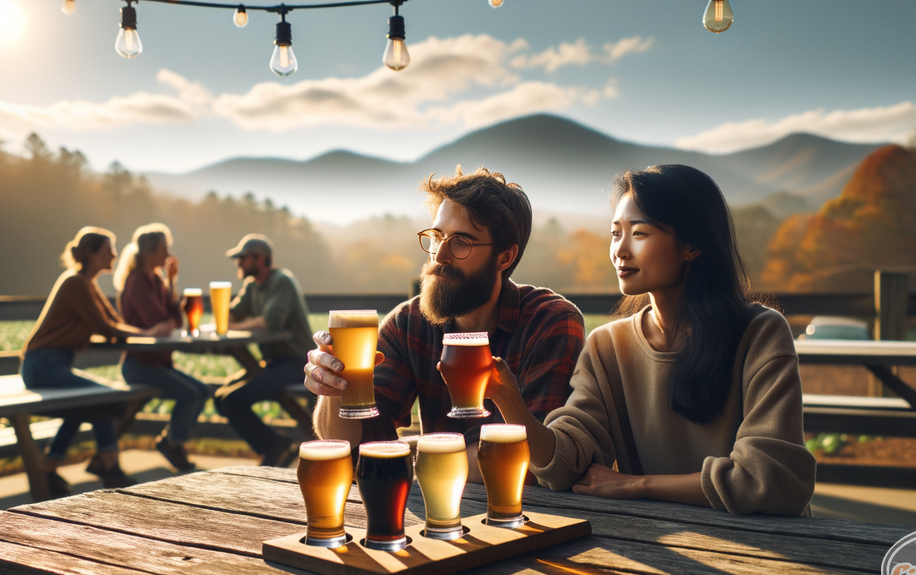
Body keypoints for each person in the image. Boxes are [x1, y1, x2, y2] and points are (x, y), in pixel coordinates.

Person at [484, 165, 816, 516]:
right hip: (659, 539)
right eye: (615, 234)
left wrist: (636, 484)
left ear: (692, 245)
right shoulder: (608, 347)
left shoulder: (760, 333)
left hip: (772, 545)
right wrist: (509, 399)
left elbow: (771, 480)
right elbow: (565, 464)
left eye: (639, 233)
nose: (620, 251)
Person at [305, 167, 586, 472]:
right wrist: (333, 390)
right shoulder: (408, 323)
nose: (439, 255)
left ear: (504, 257)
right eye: (437, 236)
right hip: (434, 505)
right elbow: (353, 443)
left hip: (531, 515)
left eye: (462, 242)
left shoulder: (550, 323)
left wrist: (410, 454)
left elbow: (533, 461)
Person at [21, 227, 172, 498]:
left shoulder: (86, 284)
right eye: (108, 250)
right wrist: (148, 334)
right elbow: (107, 327)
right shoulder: (75, 283)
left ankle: (51, 466)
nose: (115, 255)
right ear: (92, 255)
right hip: (43, 365)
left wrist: (140, 332)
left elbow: (114, 323)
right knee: (105, 399)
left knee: (88, 406)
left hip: (52, 364)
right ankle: (110, 467)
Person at [114, 223, 212, 472]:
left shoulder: (156, 280)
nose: (168, 254)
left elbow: (174, 321)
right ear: (150, 251)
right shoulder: (137, 281)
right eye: (164, 249)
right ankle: (174, 445)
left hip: (156, 363)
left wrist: (171, 281)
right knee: (190, 394)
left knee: (202, 390)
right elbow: (156, 321)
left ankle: (171, 441)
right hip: (139, 365)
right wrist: (167, 321)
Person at [214, 234, 316, 467]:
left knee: (232, 400)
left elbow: (271, 322)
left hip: (297, 363)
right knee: (221, 398)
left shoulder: (281, 281)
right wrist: (225, 318)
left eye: (243, 258)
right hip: (274, 363)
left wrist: (233, 326)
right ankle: (274, 445)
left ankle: (274, 446)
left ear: (261, 259)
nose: (238, 263)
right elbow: (233, 313)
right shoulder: (252, 286)